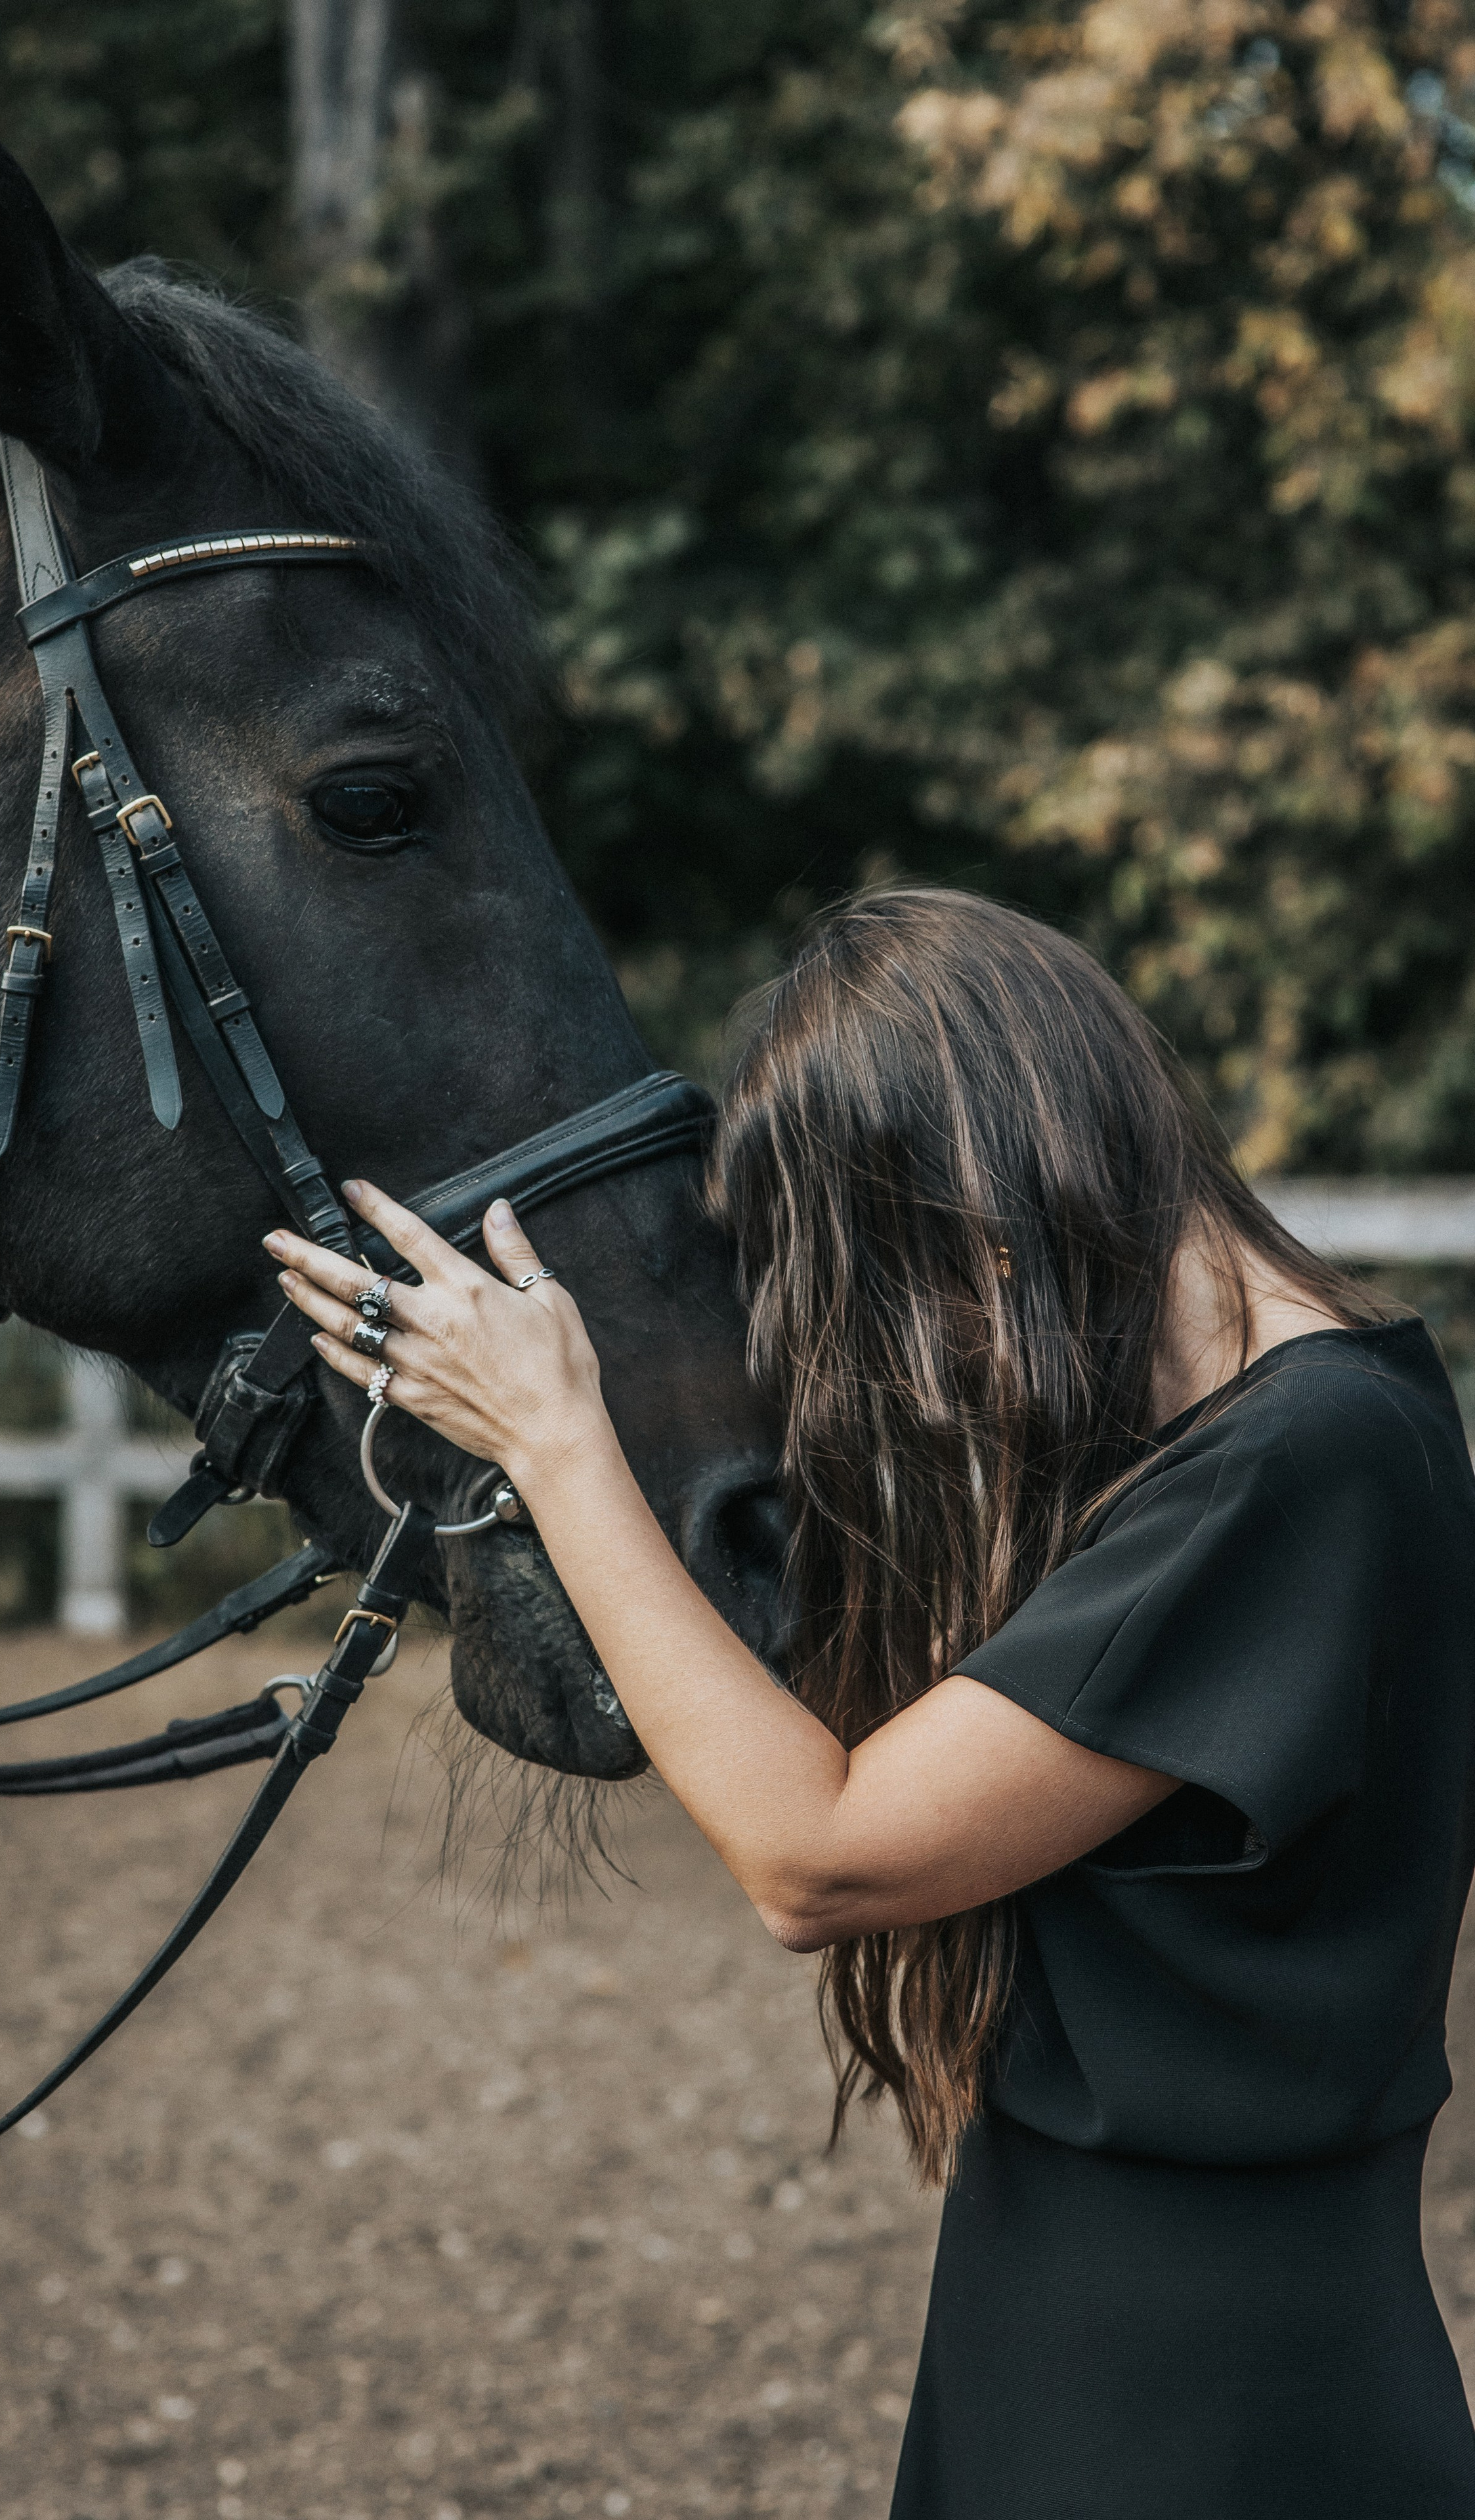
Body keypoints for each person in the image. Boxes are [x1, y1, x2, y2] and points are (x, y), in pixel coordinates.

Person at [265, 888, 1475, 2517]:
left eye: (895, 1291)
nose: (919, 1371)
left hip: (1213, 2405)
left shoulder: (1299, 1466)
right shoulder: (1264, 1436)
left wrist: (559, 1446)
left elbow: (815, 1856)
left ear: (984, 1191)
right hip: (1082, 2326)